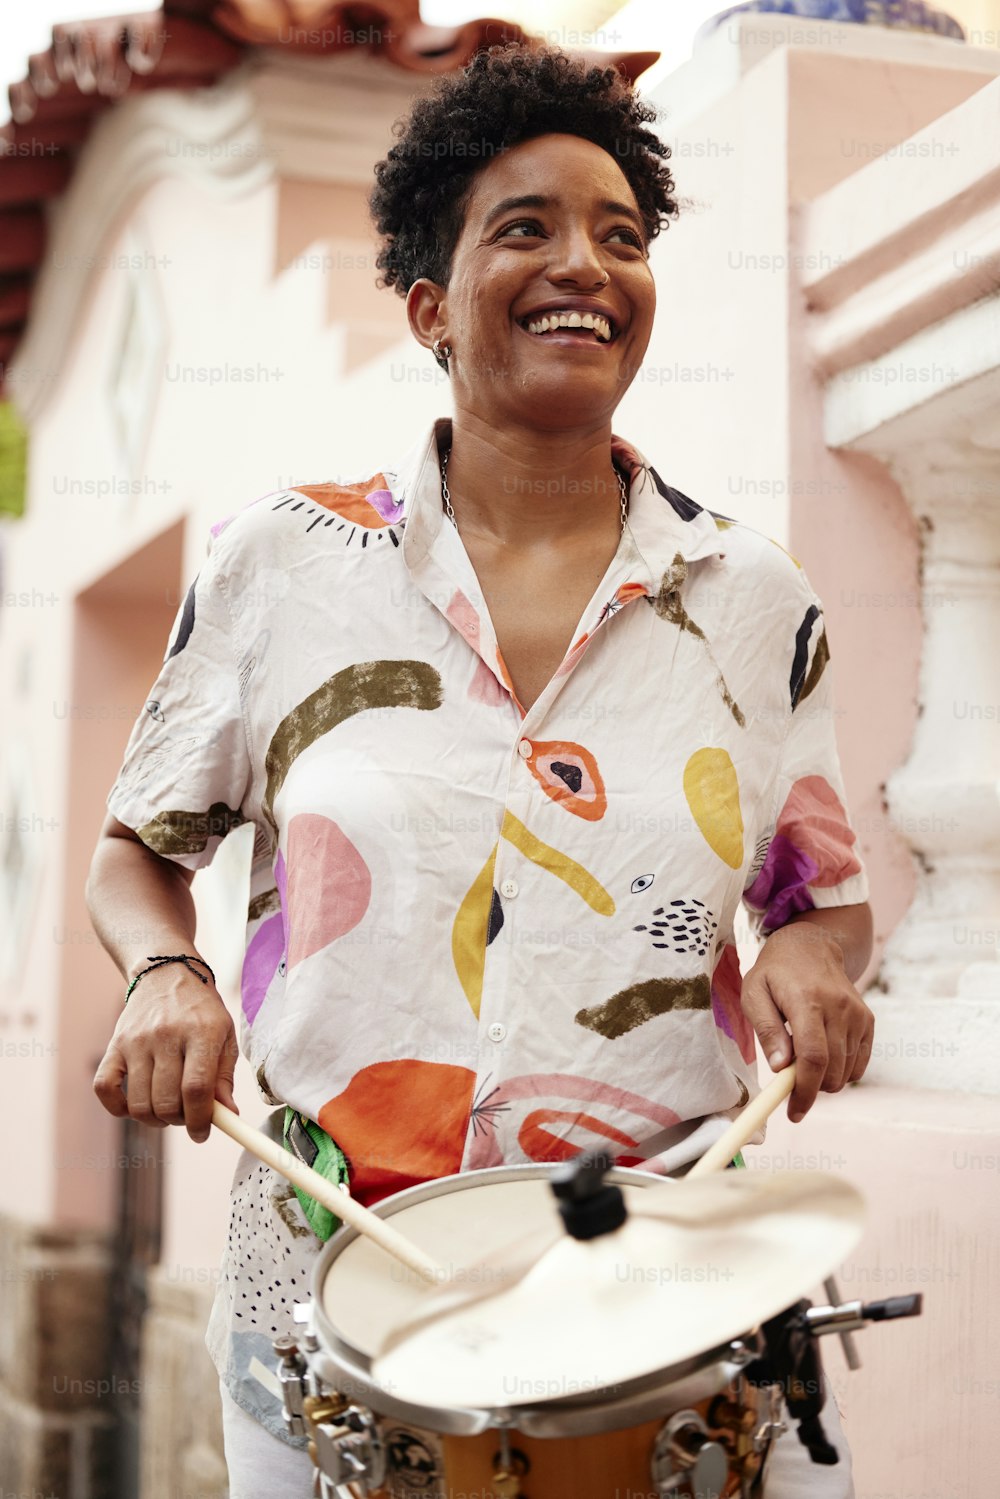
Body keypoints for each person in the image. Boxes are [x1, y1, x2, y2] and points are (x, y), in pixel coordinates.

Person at [87, 42, 874, 1498]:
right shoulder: (280, 566)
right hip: (343, 1272)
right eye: (528, 226)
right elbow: (137, 852)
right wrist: (163, 973)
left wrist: (819, 967)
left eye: (621, 235)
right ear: (431, 307)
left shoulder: (757, 602)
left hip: (668, 1284)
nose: (587, 260)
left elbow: (820, 900)